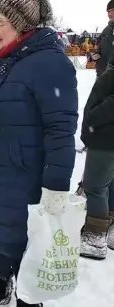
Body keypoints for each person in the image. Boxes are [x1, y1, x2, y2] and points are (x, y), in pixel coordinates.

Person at [0, 1, 78, 306]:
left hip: (25, 177)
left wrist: (56, 187)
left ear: (23, 24)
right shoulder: (1, 60)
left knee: (23, 243)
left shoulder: (50, 63)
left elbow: (60, 131)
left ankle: (29, 299)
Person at [79, 52, 114, 260]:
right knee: (109, 185)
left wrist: (95, 116)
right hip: (106, 137)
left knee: (95, 186)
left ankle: (95, 238)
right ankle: (110, 233)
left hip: (106, 138)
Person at [90, 1, 114, 77]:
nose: (110, 14)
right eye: (108, 11)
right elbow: (99, 48)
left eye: (113, 10)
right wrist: (95, 55)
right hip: (102, 75)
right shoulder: (106, 30)